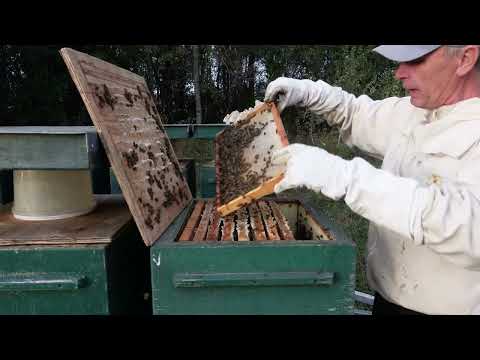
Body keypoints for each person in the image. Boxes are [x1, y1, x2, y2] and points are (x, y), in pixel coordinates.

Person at [262, 45, 480, 315]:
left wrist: (346, 178)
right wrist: (309, 93)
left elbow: (469, 225)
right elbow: (355, 114)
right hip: (386, 301)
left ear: (465, 58)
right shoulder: (413, 110)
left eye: (414, 60)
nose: (399, 72)